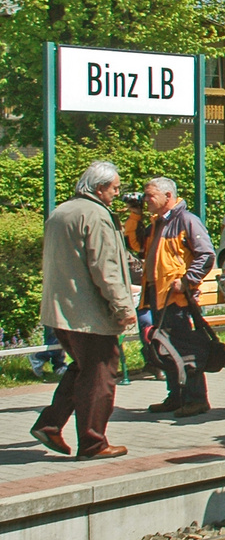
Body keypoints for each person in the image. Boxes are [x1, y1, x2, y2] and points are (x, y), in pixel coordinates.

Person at [32, 162, 138, 458]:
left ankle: (50, 424)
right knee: (100, 374)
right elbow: (105, 267)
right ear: (100, 187)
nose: (117, 193)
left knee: (82, 368)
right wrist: (122, 306)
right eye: (115, 188)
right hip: (88, 315)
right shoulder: (97, 215)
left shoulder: (61, 212)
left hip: (60, 311)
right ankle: (93, 443)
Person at [124, 177, 215, 417]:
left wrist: (186, 282)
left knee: (185, 349)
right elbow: (134, 245)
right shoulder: (157, 223)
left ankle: (196, 399)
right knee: (165, 349)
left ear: (167, 196)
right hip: (157, 296)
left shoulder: (186, 220)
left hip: (176, 299)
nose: (146, 200)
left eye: (150, 195)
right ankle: (176, 396)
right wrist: (135, 215)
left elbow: (206, 255)